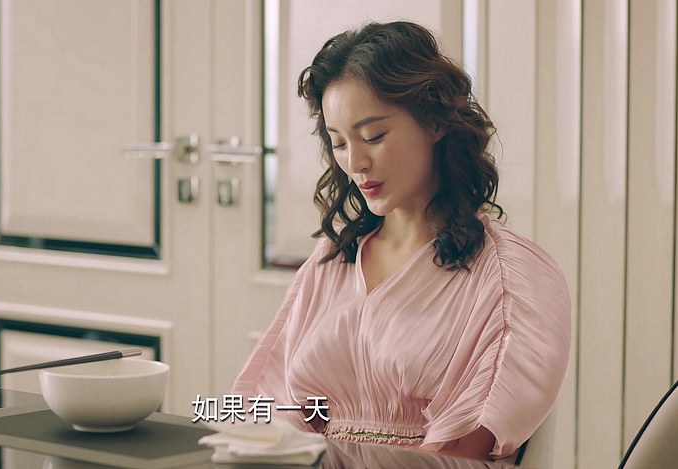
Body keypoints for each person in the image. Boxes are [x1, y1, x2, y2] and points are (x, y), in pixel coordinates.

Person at [231, 21, 571, 461]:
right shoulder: (332, 261)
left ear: (435, 121)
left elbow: (459, 455)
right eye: (339, 143)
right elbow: (276, 413)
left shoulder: (511, 276)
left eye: (373, 136)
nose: (356, 162)